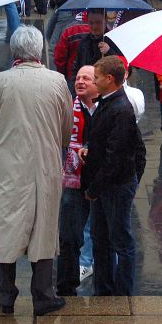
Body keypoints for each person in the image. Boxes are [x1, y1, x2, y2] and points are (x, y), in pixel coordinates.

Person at [0, 26, 73, 316]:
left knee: (3, 229)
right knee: (44, 230)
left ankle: (6, 295)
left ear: (13, 50)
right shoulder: (57, 81)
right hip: (45, 168)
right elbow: (66, 129)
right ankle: (43, 296)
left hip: (7, 168)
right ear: (39, 50)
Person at [82, 56, 144, 297]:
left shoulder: (121, 109)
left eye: (96, 77)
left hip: (114, 186)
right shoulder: (110, 104)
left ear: (109, 79)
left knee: (119, 240)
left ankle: (122, 292)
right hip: (108, 184)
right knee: (101, 238)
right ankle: (105, 288)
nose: (94, 81)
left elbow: (116, 156)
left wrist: (93, 188)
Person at [57, 65, 97, 296]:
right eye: (78, 77)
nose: (80, 81)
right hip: (72, 180)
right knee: (69, 236)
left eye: (87, 79)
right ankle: (66, 285)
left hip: (100, 182)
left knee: (104, 237)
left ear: (98, 84)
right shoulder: (67, 108)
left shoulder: (107, 108)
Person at [72, 8, 119, 73]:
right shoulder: (84, 42)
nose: (94, 27)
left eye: (98, 22)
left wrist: (109, 51)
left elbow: (122, 68)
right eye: (91, 23)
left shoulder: (115, 41)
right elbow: (76, 68)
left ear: (106, 20)